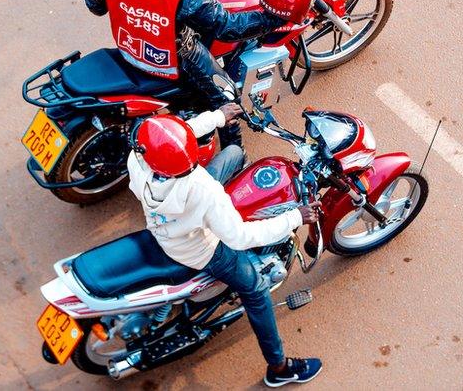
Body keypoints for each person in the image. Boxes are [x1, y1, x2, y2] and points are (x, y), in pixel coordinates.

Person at [127, 109, 324, 387]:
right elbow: (240, 238)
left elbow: (178, 135)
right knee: (255, 291)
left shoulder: (137, 161)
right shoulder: (205, 190)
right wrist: (294, 217)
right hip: (199, 251)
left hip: (166, 223)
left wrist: (218, 116)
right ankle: (279, 368)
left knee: (233, 153)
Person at [85, 0, 320, 148]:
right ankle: (235, 158)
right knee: (228, 101)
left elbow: (93, 5)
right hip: (180, 58)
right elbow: (228, 28)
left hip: (131, 49)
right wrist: (273, 18)